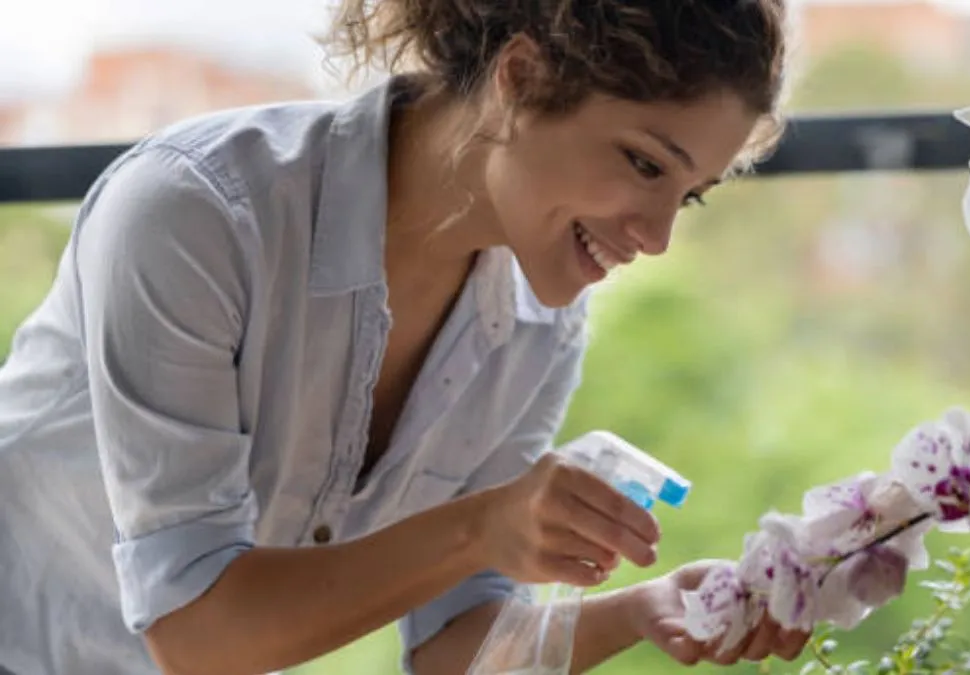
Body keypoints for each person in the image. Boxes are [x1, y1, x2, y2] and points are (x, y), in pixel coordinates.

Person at [0, 1, 807, 673]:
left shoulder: (539, 326)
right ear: (521, 80)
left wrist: (638, 609)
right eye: (642, 164)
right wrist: (484, 526)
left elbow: (456, 646)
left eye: (690, 195)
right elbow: (198, 628)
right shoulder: (198, 213)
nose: (659, 235)